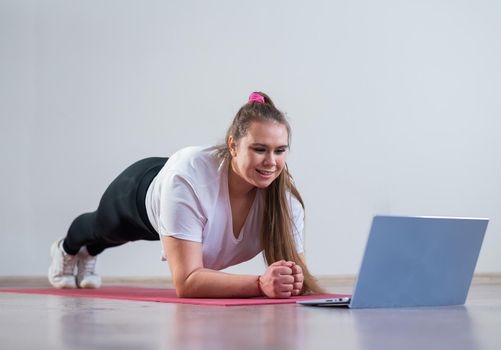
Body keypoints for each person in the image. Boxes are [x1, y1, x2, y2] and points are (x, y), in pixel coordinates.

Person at [48, 92, 323, 298]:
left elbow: (301, 276)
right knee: (102, 230)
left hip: (181, 192)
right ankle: (68, 250)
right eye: (260, 149)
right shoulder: (187, 181)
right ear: (233, 145)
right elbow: (187, 281)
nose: (271, 161)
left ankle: (88, 255)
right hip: (141, 190)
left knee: (106, 237)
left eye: (280, 150)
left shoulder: (287, 202)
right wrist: (260, 284)